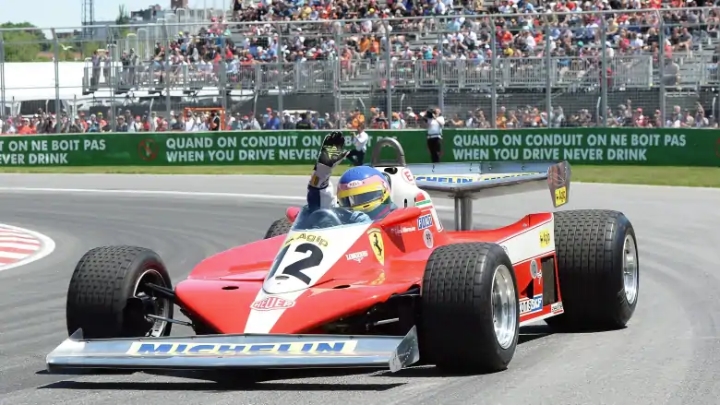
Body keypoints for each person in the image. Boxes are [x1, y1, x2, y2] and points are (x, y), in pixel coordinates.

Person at [306, 131, 396, 224]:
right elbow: (318, 208)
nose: (358, 205)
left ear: (383, 192)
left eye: (366, 197)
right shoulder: (341, 220)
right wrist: (322, 171)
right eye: (350, 200)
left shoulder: (400, 222)